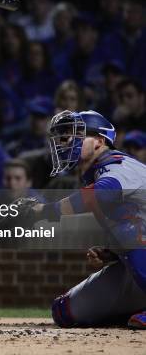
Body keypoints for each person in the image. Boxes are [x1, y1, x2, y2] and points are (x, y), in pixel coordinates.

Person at [13, 110, 146, 329]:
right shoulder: (98, 173)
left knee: (129, 231)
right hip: (133, 266)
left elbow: (100, 194)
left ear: (99, 141)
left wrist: (42, 211)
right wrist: (113, 252)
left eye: (76, 135)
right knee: (64, 312)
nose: (67, 141)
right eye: (65, 135)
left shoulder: (120, 165)